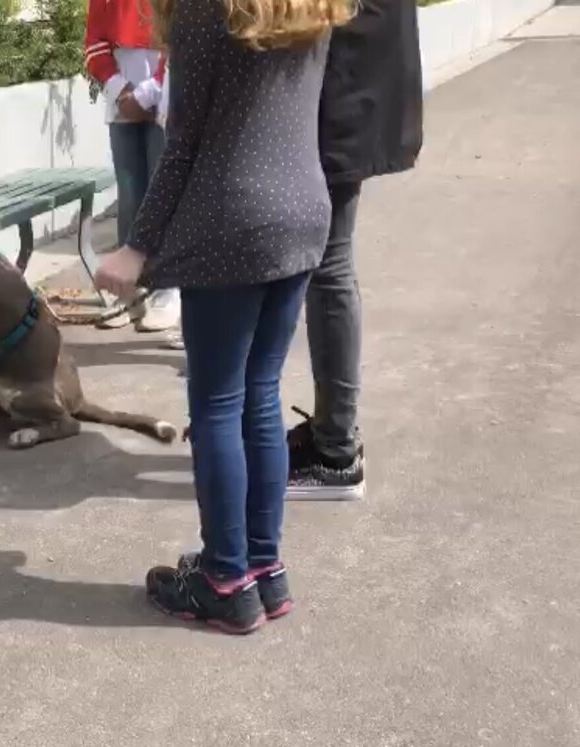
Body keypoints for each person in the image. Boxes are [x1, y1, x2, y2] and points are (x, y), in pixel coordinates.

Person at [95, 0, 355, 633]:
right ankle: (264, 571)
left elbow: (181, 147)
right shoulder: (311, 5)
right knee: (259, 397)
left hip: (230, 219)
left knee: (216, 404)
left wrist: (138, 245)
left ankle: (223, 579)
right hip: (302, 211)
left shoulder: (208, 11)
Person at [287, 0, 424, 500]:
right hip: (357, 82)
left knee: (328, 264)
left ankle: (335, 454)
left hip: (344, 86)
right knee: (329, 262)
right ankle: (333, 436)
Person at [85, 0, 182, 336]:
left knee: (164, 193)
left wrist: (149, 92)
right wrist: (120, 91)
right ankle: (129, 290)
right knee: (129, 196)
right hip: (122, 102)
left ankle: (167, 290)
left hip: (166, 92)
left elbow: (179, 35)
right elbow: (95, 44)